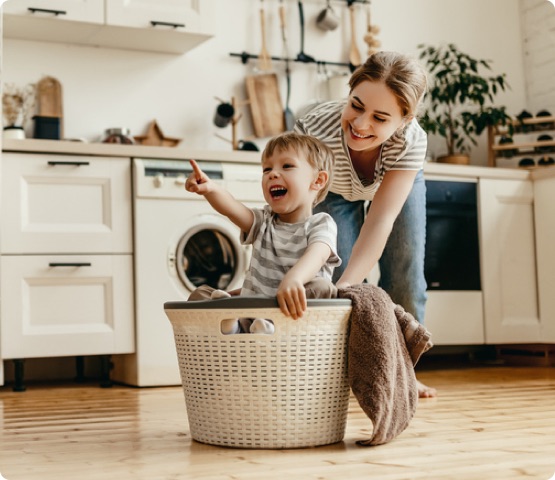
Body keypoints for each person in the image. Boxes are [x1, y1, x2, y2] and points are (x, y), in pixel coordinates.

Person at [295, 51, 437, 398]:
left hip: (392, 181)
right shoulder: (313, 128)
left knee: (404, 271)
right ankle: (342, 374)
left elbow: (382, 219)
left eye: (379, 117)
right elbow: (299, 204)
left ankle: (402, 372)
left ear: (404, 120)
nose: (360, 124)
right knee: (333, 273)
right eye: (356, 106)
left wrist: (349, 286)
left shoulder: (411, 141)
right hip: (333, 188)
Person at [185, 131, 341, 334]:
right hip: (250, 311)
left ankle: (264, 327)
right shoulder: (263, 221)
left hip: (292, 316)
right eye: (267, 169)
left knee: (324, 289)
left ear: (318, 180)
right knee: (200, 294)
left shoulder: (321, 223)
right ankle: (232, 325)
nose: (272, 174)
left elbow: (317, 255)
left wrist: (294, 279)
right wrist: (211, 189)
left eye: (287, 166)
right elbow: (232, 208)